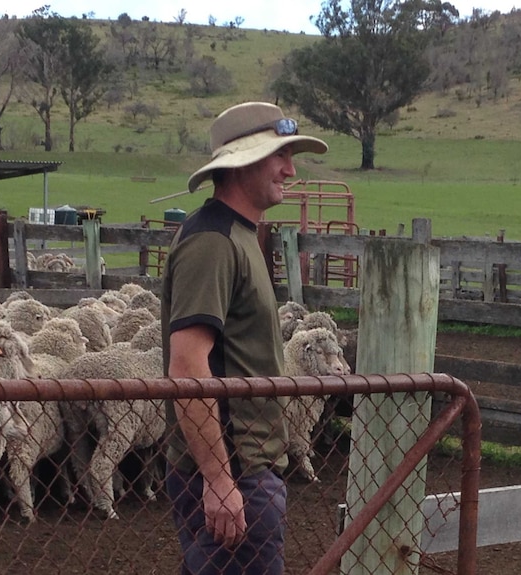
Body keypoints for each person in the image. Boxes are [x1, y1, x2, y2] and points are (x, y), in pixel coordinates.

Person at [161, 101, 328, 574]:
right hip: (233, 472)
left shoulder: (238, 235)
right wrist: (218, 479)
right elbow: (188, 362)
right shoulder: (212, 242)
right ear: (243, 162)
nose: (291, 170)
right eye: (280, 156)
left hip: (246, 471)